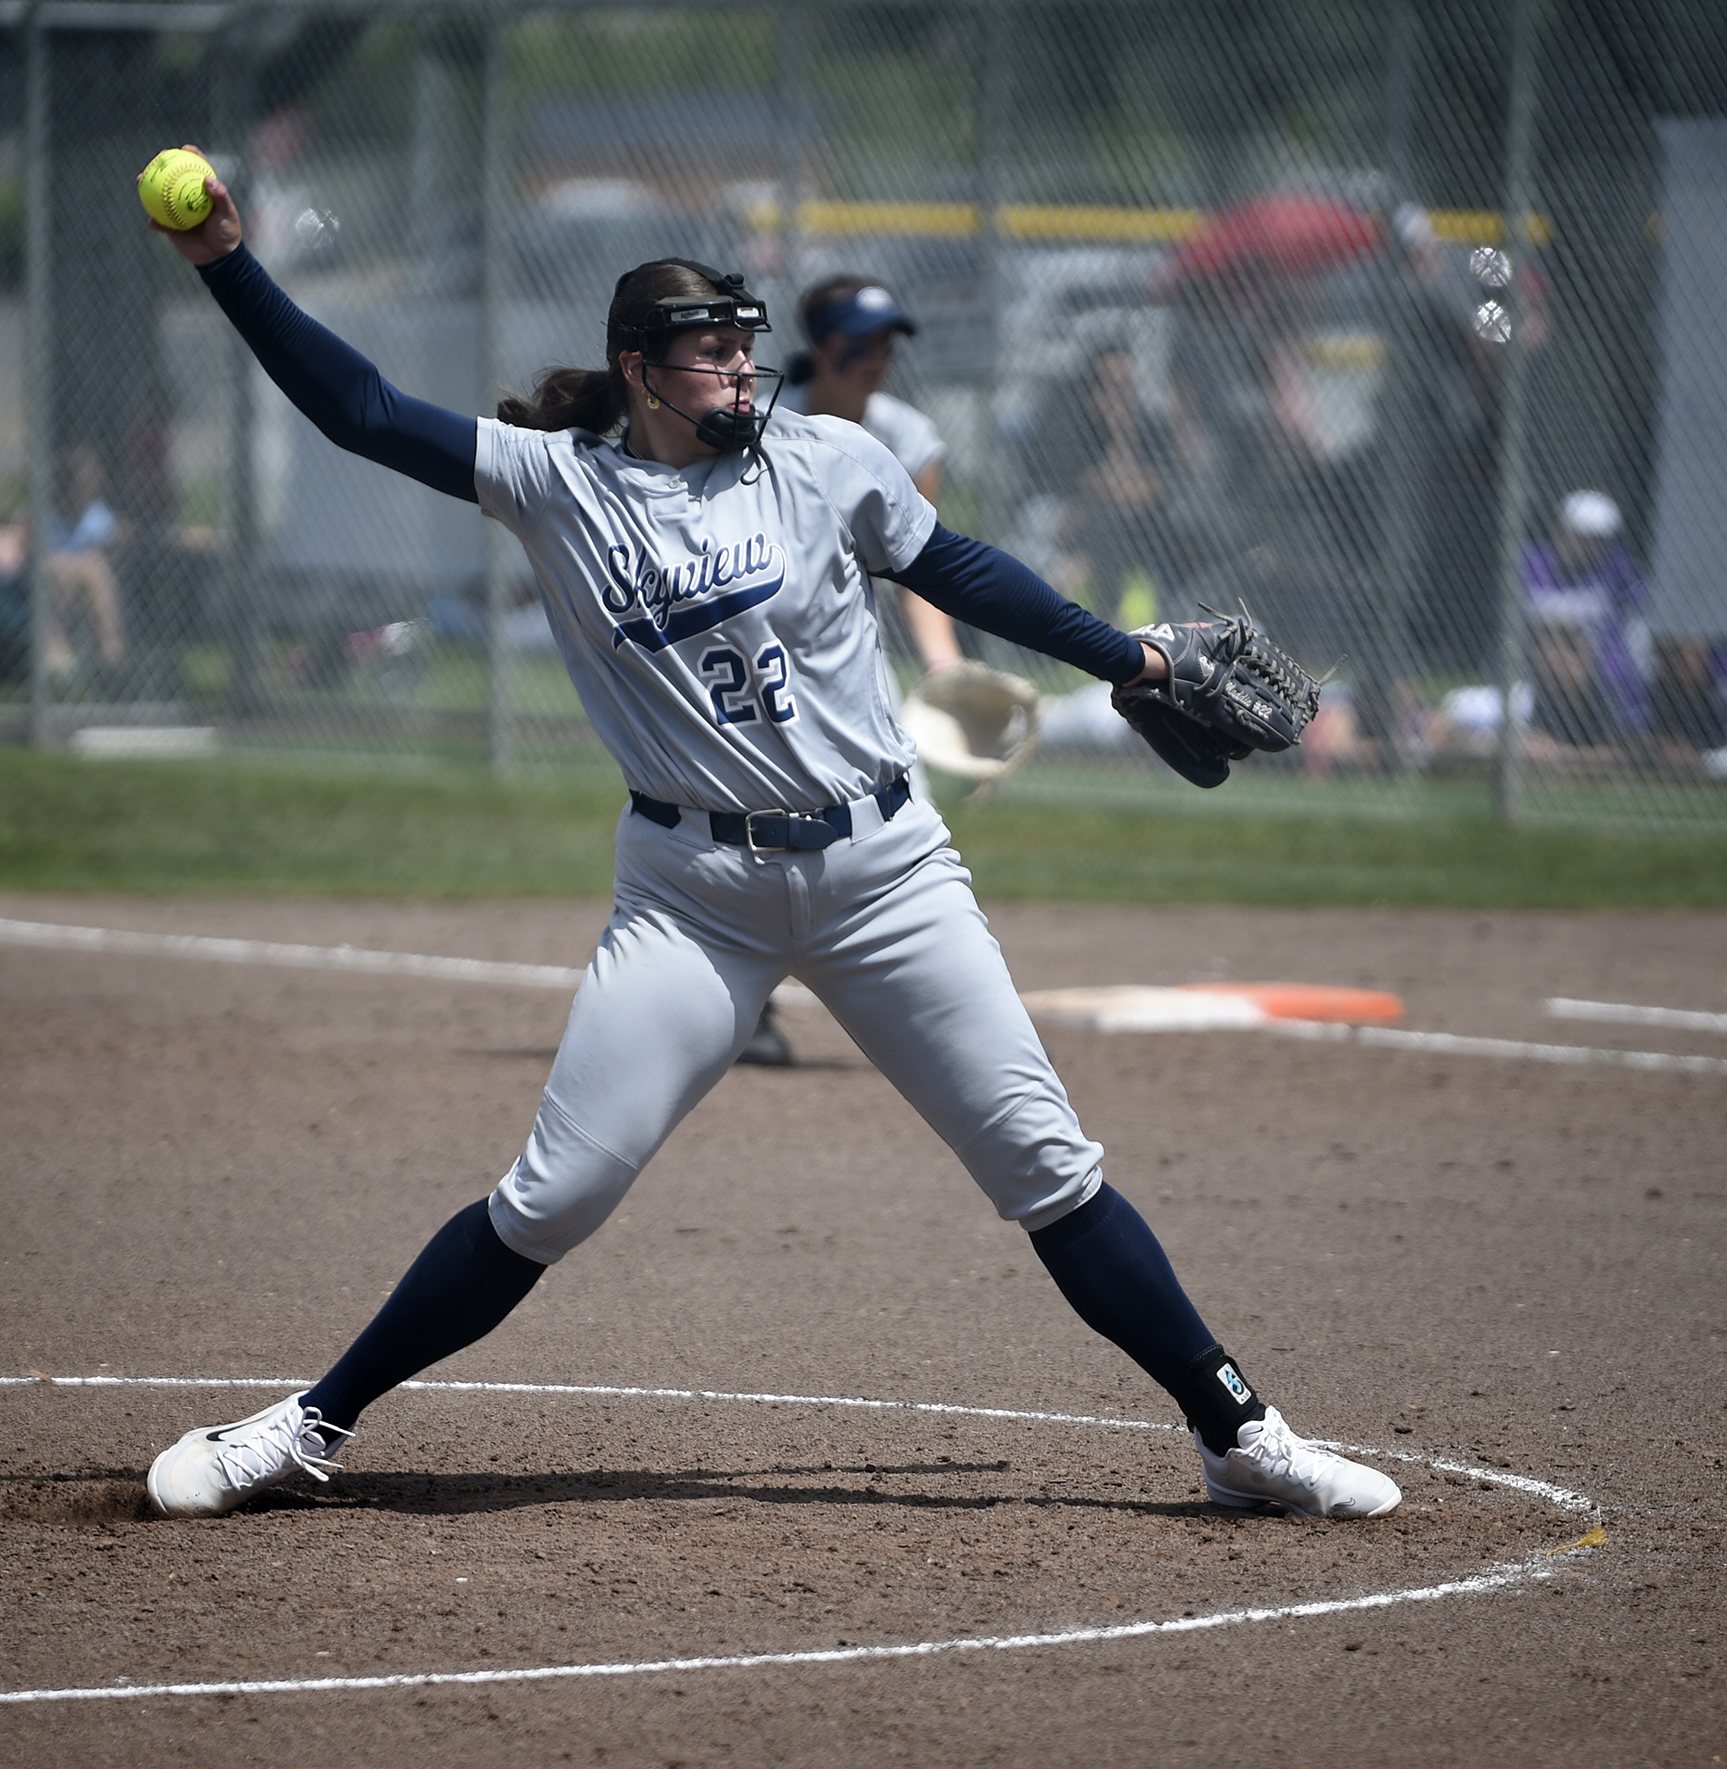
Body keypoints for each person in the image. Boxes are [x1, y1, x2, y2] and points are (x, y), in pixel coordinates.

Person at [141, 152, 1402, 1525]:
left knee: (1047, 1166)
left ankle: (1239, 1435)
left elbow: (958, 565)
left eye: (745, 346)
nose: (742, 369)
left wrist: (1129, 660)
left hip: (885, 875)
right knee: (555, 1196)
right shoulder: (560, 485)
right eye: (710, 352)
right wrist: (225, 263)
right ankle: (304, 1426)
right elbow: (361, 408)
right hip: (695, 895)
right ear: (638, 369)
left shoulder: (825, 458)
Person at [737, 276, 962, 1066]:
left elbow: (924, 570)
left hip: (848, 655)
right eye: (860, 344)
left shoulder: (909, 437)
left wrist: (944, 665)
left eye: (887, 343)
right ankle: (743, 1002)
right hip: (757, 649)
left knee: (904, 805)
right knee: (757, 808)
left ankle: (933, 1004)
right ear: (823, 348)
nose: (878, 360)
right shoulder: (760, 415)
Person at [1520, 490, 1651, 749]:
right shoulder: (1531, 563)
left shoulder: (1617, 567)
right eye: (1578, 535)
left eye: (1594, 539)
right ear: (1561, 529)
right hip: (1534, 673)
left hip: (1599, 679)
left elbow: (1642, 613)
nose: (1584, 544)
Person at [42, 443, 127, 683]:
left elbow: (114, 539)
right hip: (53, 582)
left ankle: (110, 650)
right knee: (62, 567)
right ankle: (54, 643)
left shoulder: (96, 514)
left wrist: (120, 535)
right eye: (80, 488)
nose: (86, 495)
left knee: (95, 567)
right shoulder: (47, 515)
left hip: (87, 583)